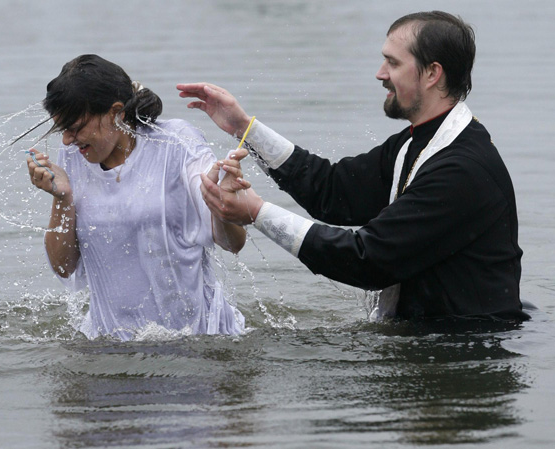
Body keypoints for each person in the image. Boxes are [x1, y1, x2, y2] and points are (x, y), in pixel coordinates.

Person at [177, 11, 529, 321]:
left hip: (469, 357)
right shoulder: (414, 143)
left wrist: (256, 212)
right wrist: (244, 128)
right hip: (434, 344)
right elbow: (331, 191)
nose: (380, 74)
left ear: (433, 73)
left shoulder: (462, 170)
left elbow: (368, 260)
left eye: (392, 63)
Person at [26, 54, 246, 340]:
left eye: (75, 127)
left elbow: (233, 242)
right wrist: (62, 197)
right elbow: (64, 268)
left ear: (116, 112)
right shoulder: (73, 154)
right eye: (62, 129)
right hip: (110, 342)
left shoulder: (175, 142)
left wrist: (223, 202)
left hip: (198, 340)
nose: (67, 139)